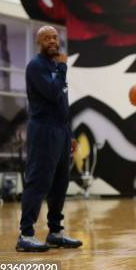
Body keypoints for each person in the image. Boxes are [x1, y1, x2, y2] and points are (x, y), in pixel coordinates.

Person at [16, 26, 82, 252]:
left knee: (60, 183)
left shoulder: (55, 66)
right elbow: (53, 93)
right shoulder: (37, 66)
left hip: (60, 132)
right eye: (47, 38)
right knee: (39, 181)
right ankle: (25, 234)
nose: (53, 41)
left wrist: (69, 133)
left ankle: (55, 232)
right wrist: (63, 68)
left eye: (55, 37)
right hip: (43, 129)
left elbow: (61, 104)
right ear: (39, 43)